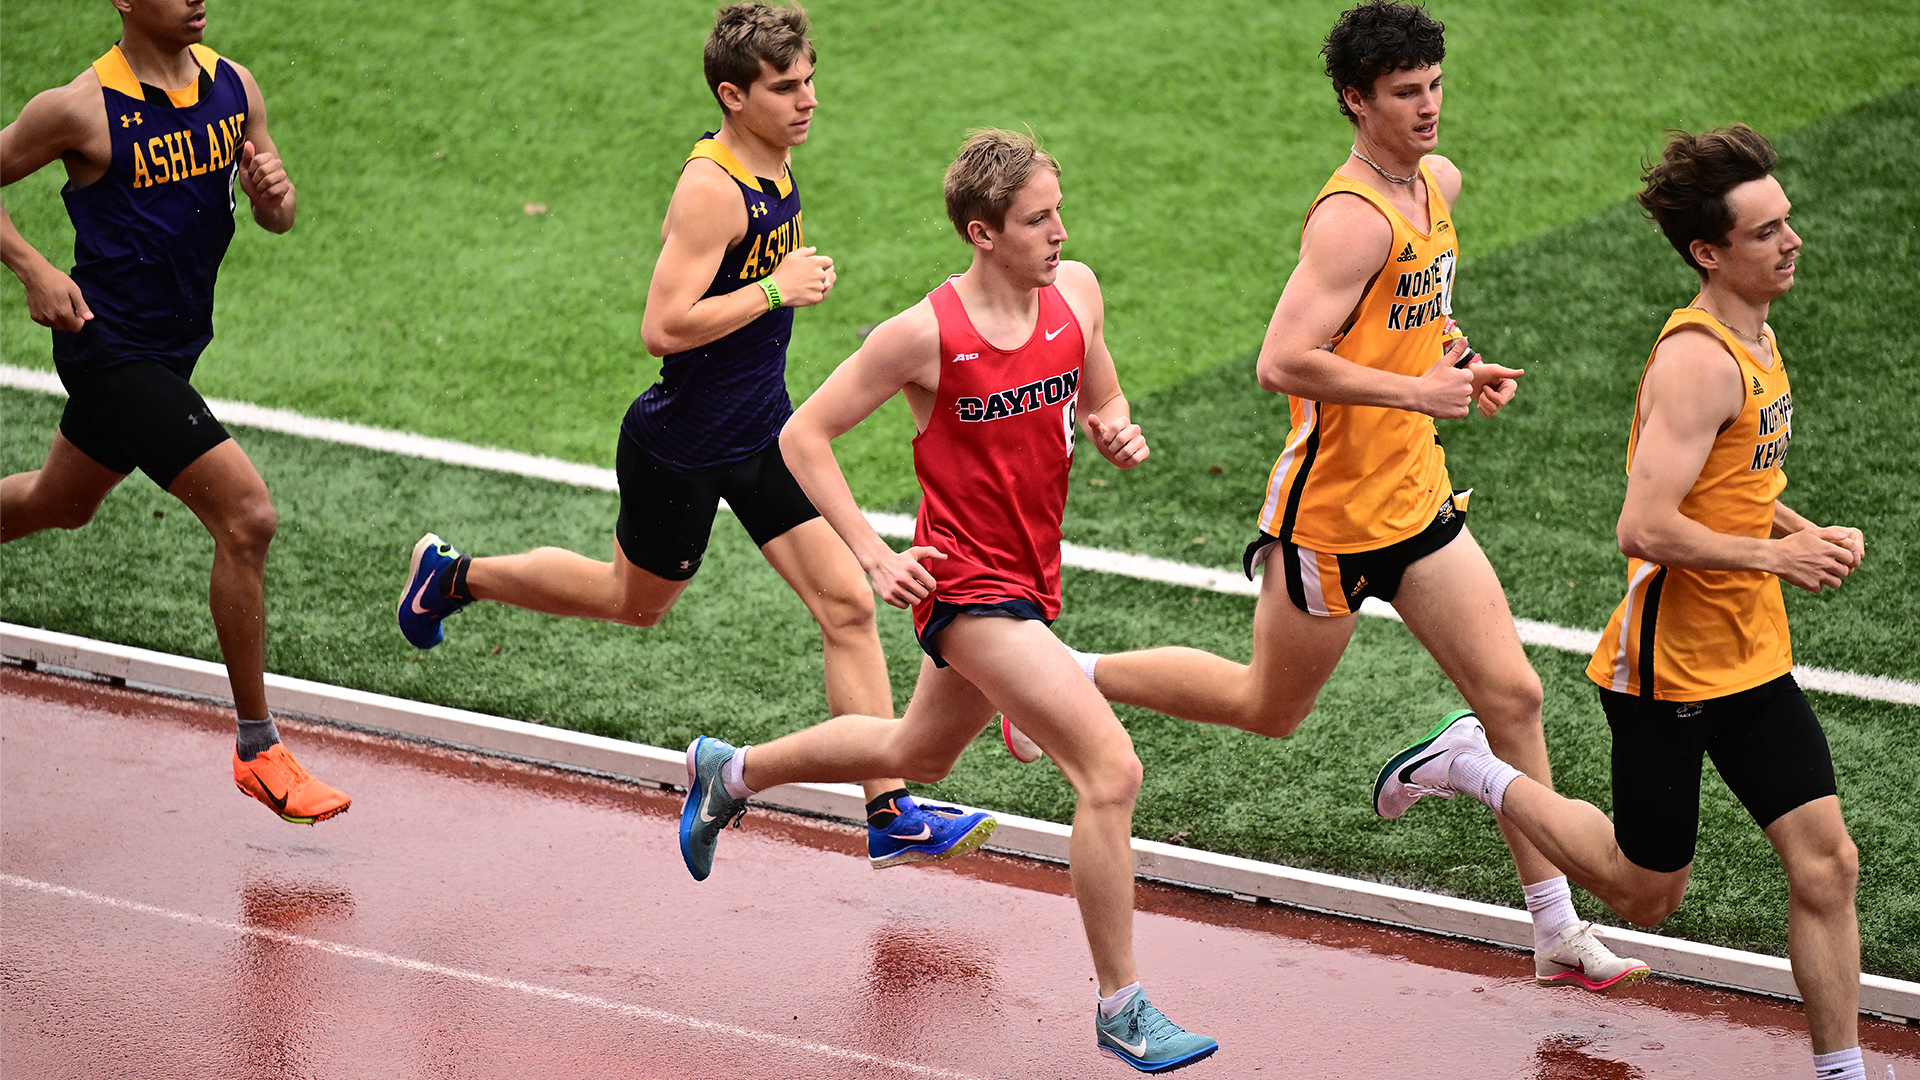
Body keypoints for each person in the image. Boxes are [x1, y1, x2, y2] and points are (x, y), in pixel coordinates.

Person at [1002, 0, 1648, 990]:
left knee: (1514, 695)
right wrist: (1418, 391)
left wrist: (1460, 360)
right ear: (1356, 100)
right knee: (1267, 706)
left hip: (1416, 495)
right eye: (1405, 92)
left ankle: (1554, 929)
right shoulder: (1350, 220)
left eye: (1435, 85)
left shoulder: (1436, 184)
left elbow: (1413, 315)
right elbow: (1281, 361)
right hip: (1332, 520)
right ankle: (1065, 673)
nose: (1428, 106)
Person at [394, 1, 991, 868]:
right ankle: (454, 577)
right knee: (632, 603)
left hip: (762, 433)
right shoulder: (712, 190)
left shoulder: (776, 159)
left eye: (809, 80)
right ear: (732, 96)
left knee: (848, 605)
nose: (807, 100)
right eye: (784, 87)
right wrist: (776, 289)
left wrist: (775, 291)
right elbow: (663, 326)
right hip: (681, 447)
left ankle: (889, 809)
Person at [678, 129, 1218, 1073]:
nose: (1059, 232)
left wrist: (1116, 428)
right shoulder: (924, 335)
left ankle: (730, 773)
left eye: (1058, 212)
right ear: (983, 232)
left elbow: (1103, 396)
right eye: (1037, 220)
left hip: (1032, 580)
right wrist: (873, 555)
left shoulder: (1077, 292)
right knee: (1111, 770)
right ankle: (1121, 1007)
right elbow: (803, 437)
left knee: (915, 751)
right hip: (963, 589)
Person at [1376, 124, 1874, 1080]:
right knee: (1648, 894)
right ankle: (1471, 765)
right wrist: (1779, 556)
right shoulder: (1700, 360)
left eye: (1786, 222)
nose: (1792, 241)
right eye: (1766, 231)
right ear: (1709, 252)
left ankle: (1839, 1072)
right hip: (1669, 669)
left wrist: (1795, 527)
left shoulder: (1755, 334)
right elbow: (1642, 525)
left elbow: (1726, 482)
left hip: (1750, 653)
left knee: (1829, 863)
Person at [1, 0, 348, 824]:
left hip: (176, 347)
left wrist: (273, 197)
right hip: (106, 347)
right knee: (248, 517)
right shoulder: (80, 108)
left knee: (60, 501)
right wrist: (33, 269)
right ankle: (258, 748)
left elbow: (278, 216)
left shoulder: (235, 88)